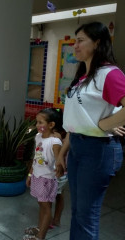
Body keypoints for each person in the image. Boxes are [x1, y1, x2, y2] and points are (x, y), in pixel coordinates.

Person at [56, 21, 125, 240]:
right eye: (75, 40)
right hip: (77, 146)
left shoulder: (109, 74)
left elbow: (95, 122)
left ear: (97, 43)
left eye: (80, 40)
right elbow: (77, 121)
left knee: (86, 217)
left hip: (98, 150)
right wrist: (62, 152)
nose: (74, 45)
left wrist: (105, 124)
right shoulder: (83, 77)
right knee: (77, 212)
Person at [24, 108, 63, 240]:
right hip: (37, 176)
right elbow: (36, 157)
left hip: (47, 179)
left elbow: (59, 162)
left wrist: (60, 169)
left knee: (46, 208)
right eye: (37, 122)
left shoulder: (55, 142)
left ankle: (40, 237)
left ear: (51, 125)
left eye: (40, 122)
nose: (37, 125)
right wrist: (30, 175)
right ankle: (40, 229)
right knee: (41, 205)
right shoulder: (38, 137)